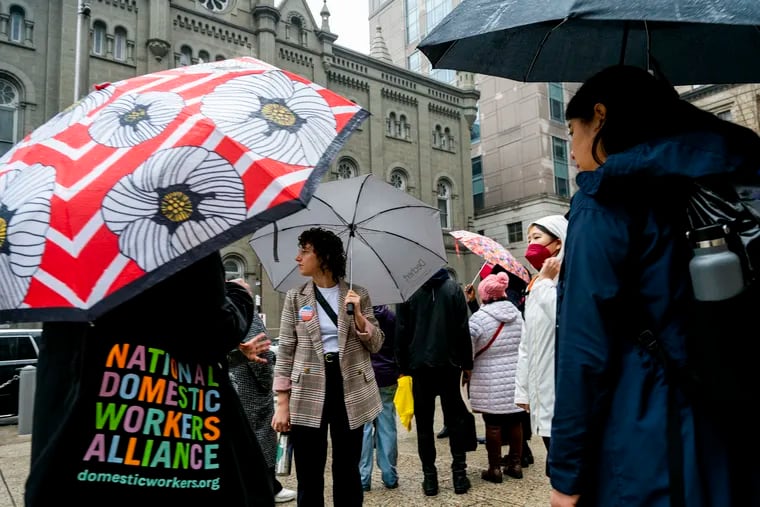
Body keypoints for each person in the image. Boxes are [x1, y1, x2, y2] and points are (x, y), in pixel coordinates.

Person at [550, 65, 760, 507]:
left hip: (642, 431)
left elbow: (584, 350)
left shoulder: (601, 203)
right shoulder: (720, 175)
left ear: (600, 116)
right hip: (725, 419)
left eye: (572, 130)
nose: (571, 150)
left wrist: (566, 476)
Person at [26, 252, 274, 506]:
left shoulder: (58, 239)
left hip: (77, 403)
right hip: (176, 422)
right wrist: (238, 294)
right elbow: (214, 329)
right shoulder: (181, 230)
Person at [271, 227, 384, 506]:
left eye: (305, 251)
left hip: (350, 387)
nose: (298, 258)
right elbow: (285, 349)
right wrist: (281, 403)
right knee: (309, 471)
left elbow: (377, 343)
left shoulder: (358, 294)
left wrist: (358, 316)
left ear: (323, 257)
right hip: (307, 387)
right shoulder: (295, 297)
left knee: (347, 468)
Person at [395, 268, 474, 496]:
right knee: (455, 421)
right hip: (450, 365)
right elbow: (462, 329)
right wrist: (467, 363)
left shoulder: (408, 290)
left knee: (424, 426)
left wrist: (400, 367)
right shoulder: (453, 289)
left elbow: (401, 331)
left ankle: (430, 479)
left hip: (418, 369)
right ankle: (459, 475)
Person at [465, 262, 534, 468]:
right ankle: (515, 465)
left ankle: (494, 469)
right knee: (515, 421)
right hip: (515, 377)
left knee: (492, 424)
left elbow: (467, 349)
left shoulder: (478, 318)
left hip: (489, 380)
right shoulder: (517, 315)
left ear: (485, 294)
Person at [513, 214, 567, 477]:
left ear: (558, 243)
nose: (530, 246)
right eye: (528, 239)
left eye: (537, 238)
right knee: (555, 466)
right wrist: (523, 391)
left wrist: (545, 281)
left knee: (564, 468)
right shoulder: (536, 285)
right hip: (541, 392)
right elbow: (527, 344)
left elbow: (563, 314)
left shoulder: (567, 279)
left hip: (563, 391)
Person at [229, 313, 297, 503]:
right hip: (251, 390)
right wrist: (267, 384)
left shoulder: (222, 313)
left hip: (233, 386)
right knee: (262, 440)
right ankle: (268, 487)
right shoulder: (247, 316)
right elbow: (263, 353)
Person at [359, 304, 399, 491]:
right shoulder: (390, 317)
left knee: (364, 430)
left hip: (363, 377)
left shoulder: (357, 316)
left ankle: (362, 478)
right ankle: (390, 476)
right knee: (387, 427)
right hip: (387, 376)